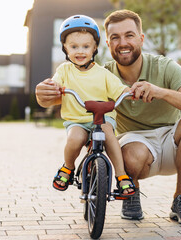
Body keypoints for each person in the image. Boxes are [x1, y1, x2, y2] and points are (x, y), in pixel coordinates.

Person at [36, 10, 181, 225]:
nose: (123, 42)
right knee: (125, 152)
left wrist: (160, 92)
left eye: (129, 35)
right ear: (107, 44)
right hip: (136, 145)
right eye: (115, 38)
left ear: (141, 38)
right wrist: (43, 95)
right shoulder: (101, 73)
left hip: (171, 141)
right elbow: (60, 96)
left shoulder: (164, 66)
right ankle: (131, 191)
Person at [47, 14, 136, 198]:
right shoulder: (64, 70)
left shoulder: (103, 74)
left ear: (95, 47)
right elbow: (55, 84)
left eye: (86, 46)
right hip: (77, 120)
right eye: (74, 46)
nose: (80, 51)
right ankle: (68, 167)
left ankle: (121, 175)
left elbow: (119, 89)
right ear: (65, 48)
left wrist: (128, 92)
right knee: (74, 139)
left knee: (108, 134)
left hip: (103, 117)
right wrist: (54, 87)